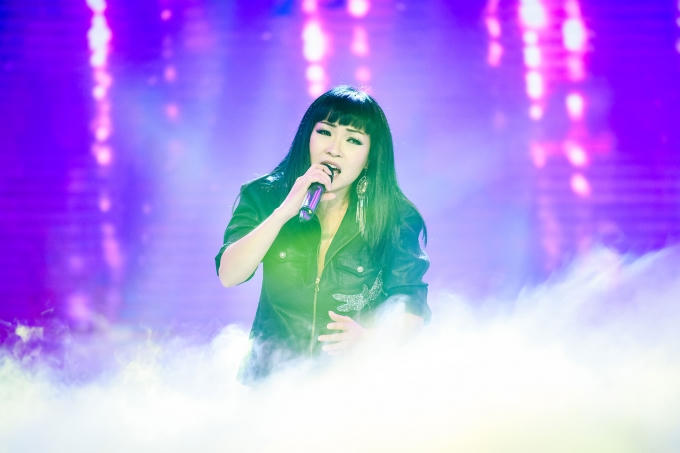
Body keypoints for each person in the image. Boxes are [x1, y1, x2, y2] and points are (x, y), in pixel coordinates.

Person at [215, 86, 430, 380]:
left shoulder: (395, 217)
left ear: (370, 157)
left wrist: (371, 338)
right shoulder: (263, 196)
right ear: (308, 137)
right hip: (269, 381)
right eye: (325, 132)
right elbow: (229, 274)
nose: (334, 149)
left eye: (353, 140)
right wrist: (283, 212)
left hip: (349, 384)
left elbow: (412, 309)